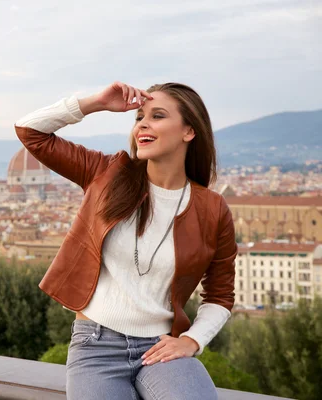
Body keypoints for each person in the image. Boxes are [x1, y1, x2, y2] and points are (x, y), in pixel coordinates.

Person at [14, 82, 237, 400]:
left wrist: (192, 340)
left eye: (157, 116)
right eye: (139, 117)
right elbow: (29, 131)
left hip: (161, 346)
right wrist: (96, 102)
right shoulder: (106, 173)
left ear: (189, 131)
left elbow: (220, 295)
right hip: (96, 347)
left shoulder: (212, 209)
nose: (143, 124)